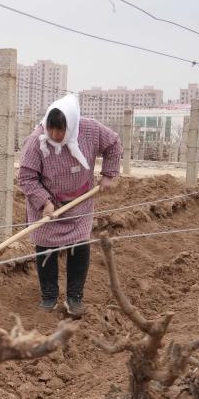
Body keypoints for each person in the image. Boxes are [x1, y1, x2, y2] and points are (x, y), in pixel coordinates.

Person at [18, 94, 121, 318]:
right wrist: (44, 202)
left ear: (72, 125)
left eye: (60, 130)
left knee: (80, 247)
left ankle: (75, 297)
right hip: (48, 206)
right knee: (46, 248)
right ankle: (49, 297)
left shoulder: (90, 130)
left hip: (80, 202)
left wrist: (108, 174)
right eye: (51, 128)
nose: (55, 135)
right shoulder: (37, 141)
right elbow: (26, 177)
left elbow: (113, 143)